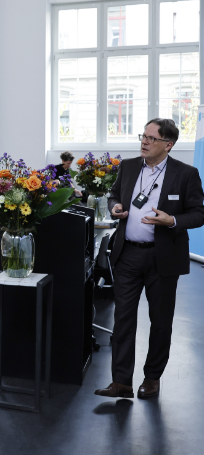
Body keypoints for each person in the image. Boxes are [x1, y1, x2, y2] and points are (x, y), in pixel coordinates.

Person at [94, 119, 204, 400]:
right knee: (123, 319)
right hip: (128, 253)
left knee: (161, 321)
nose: (144, 141)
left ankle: (152, 378)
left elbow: (198, 213)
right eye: (143, 136)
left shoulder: (186, 173)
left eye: (151, 138)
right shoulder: (128, 166)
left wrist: (172, 220)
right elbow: (114, 194)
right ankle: (121, 382)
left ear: (168, 144)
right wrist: (115, 206)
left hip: (163, 258)